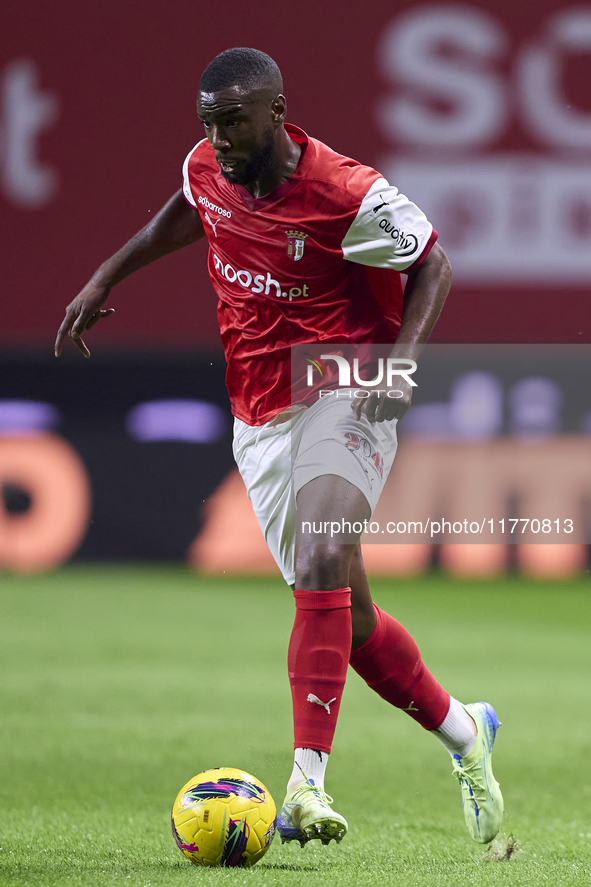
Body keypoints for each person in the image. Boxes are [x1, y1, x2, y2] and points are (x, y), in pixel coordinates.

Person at [55, 47, 503, 849]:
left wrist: (399, 367)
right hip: (259, 410)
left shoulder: (344, 190)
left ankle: (305, 784)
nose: (220, 138)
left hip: (343, 376)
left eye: (233, 121)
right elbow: (187, 208)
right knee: (349, 617)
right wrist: (105, 278)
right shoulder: (207, 167)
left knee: (328, 553)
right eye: (209, 123)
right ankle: (465, 732)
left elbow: (431, 259)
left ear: (275, 111)